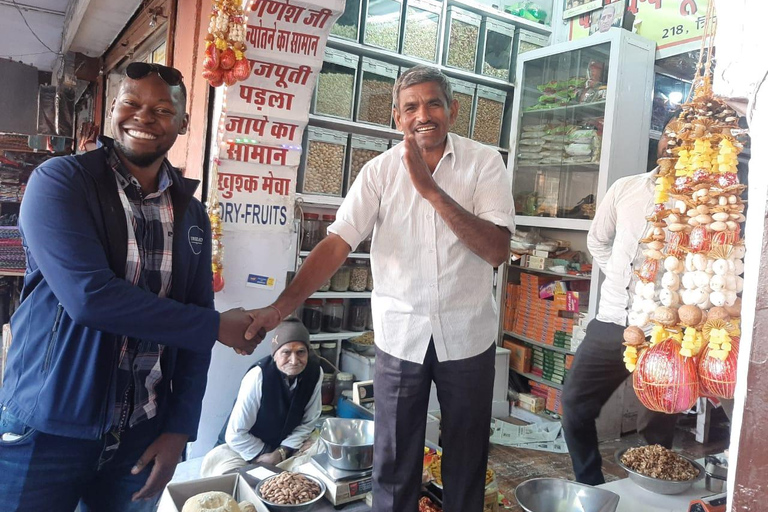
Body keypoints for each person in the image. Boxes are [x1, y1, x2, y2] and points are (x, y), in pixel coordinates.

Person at [244, 65, 515, 512]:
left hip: (468, 335)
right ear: (396, 117)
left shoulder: (484, 162)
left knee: (467, 453)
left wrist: (431, 191)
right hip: (400, 336)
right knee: (392, 458)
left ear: (453, 109)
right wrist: (281, 308)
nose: (422, 115)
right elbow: (337, 242)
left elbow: (497, 249)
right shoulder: (379, 172)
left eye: (433, 103)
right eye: (411, 107)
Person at [0, 62, 258, 512]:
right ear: (112, 109)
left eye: (162, 109)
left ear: (183, 123)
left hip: (141, 436)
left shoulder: (191, 214)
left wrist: (179, 429)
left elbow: (194, 327)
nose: (144, 117)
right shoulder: (61, 183)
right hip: (48, 430)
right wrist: (215, 326)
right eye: (132, 103)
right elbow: (90, 298)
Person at [561, 115, 681, 486]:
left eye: (684, 137)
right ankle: (590, 485)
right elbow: (598, 240)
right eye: (667, 134)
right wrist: (620, 276)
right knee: (574, 403)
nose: (673, 142)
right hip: (613, 320)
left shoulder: (704, 202)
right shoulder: (627, 188)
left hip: (668, 331)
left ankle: (651, 489)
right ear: (658, 141)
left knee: (657, 421)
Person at [201, 318, 322, 476]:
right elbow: (236, 434)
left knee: (320, 451)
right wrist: (265, 454)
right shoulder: (258, 377)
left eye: (301, 352)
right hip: (240, 448)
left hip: (285, 446)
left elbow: (308, 422)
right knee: (227, 475)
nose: (294, 360)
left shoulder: (314, 373)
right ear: (275, 354)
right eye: (286, 352)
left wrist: (280, 453)